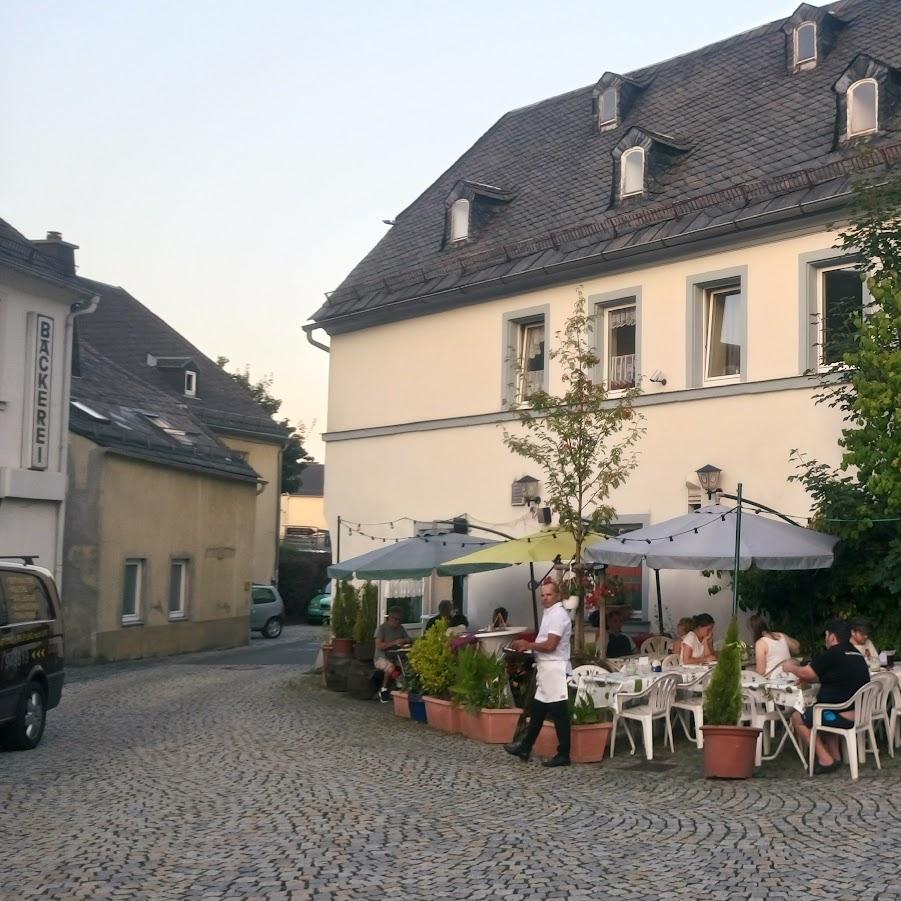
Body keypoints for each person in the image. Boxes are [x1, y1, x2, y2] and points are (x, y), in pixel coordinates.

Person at [783, 619, 870, 774]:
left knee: (798, 717)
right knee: (823, 710)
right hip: (860, 713)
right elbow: (833, 676)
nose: (825, 639)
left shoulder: (833, 653)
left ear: (831, 637)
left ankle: (826, 759)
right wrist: (808, 677)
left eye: (826, 635)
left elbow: (806, 672)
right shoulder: (856, 653)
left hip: (840, 715)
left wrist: (790, 667)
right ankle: (835, 756)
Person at [504, 580, 572, 767]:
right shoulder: (550, 613)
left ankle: (564, 754)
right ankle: (525, 746)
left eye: (549, 594)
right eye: (542, 595)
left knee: (559, 713)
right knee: (538, 710)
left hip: (554, 667)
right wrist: (530, 649)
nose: (545, 598)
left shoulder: (558, 615)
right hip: (546, 667)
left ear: (558, 595)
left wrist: (528, 645)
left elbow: (550, 645)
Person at [374, 607, 410, 702]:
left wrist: (405, 641)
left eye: (400, 619)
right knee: (390, 667)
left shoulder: (401, 628)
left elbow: (408, 639)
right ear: (389, 617)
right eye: (395, 619)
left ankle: (403, 688)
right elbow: (379, 646)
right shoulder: (382, 629)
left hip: (397, 657)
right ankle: (384, 690)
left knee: (409, 666)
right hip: (381, 658)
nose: (397, 621)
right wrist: (394, 643)